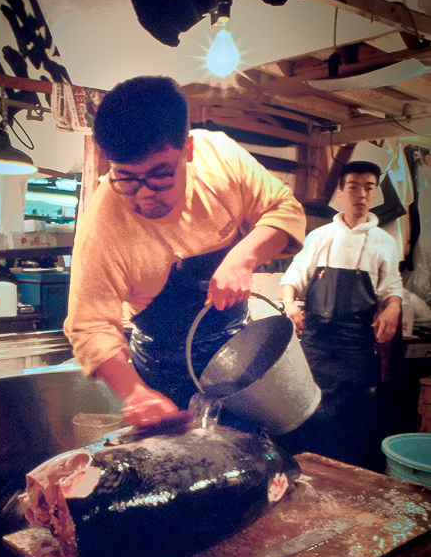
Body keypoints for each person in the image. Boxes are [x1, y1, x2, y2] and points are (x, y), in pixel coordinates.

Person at [64, 76, 306, 426]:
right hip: (161, 366)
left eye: (160, 175)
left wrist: (244, 257)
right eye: (126, 177)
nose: (144, 194)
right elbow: (89, 326)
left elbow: (285, 209)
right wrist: (134, 393)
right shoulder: (102, 227)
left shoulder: (220, 158)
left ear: (188, 151)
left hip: (237, 351)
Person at [280, 160, 403, 470]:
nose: (360, 193)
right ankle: (305, 471)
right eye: (353, 186)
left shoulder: (385, 242)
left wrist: (393, 307)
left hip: (357, 348)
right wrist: (289, 304)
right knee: (309, 412)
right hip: (315, 345)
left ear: (375, 194)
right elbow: (293, 276)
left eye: (368, 187)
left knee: (353, 422)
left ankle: (346, 477)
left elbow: (392, 287)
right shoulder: (319, 236)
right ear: (341, 192)